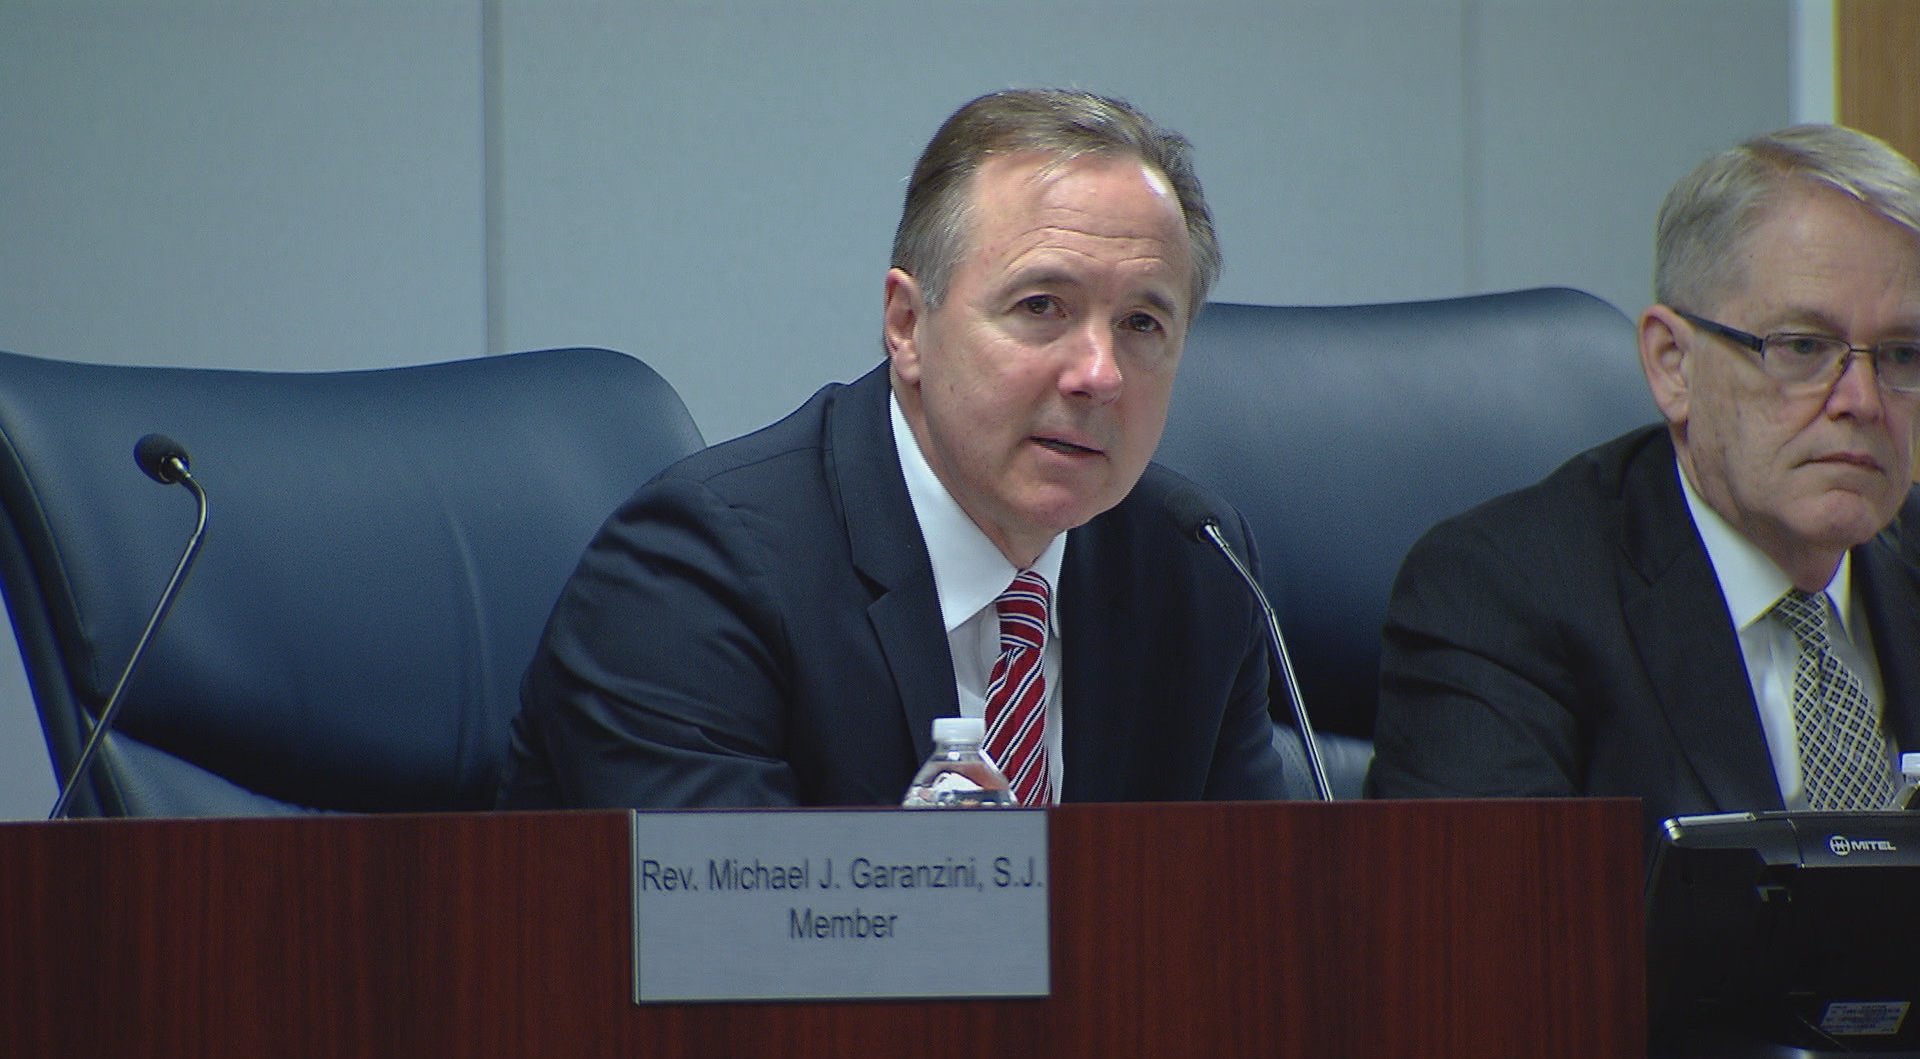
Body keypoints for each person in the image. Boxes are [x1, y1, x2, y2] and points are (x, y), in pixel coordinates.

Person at [498, 89, 1289, 808]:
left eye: (1142, 324)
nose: (1098, 374)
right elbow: (729, 944)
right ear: (907, 326)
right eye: (1042, 305)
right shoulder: (697, 574)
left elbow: (1244, 921)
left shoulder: (1196, 564)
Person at [1368, 124, 1920, 851]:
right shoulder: (1500, 597)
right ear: (1672, 366)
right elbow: (1490, 943)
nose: (1862, 399)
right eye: (1803, 348)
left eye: (1902, 354)